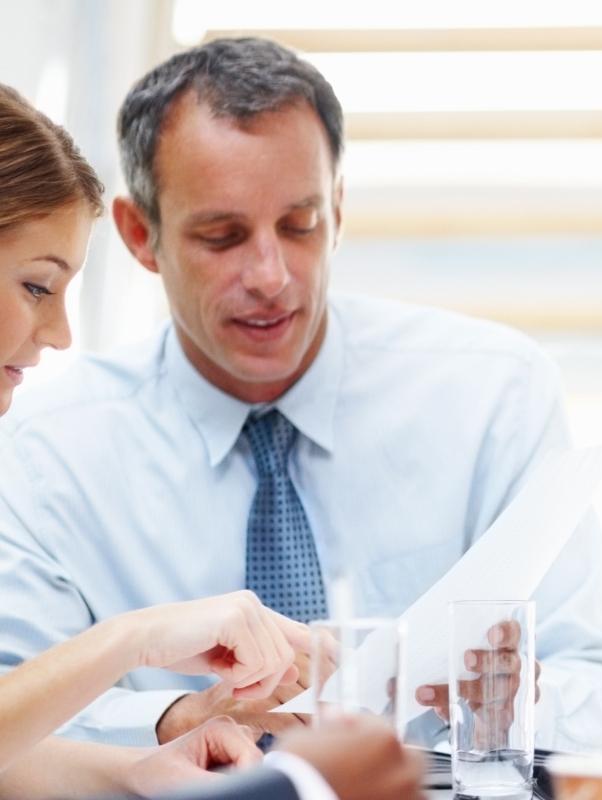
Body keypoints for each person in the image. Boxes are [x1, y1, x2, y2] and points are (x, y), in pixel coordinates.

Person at [0, 37, 602, 752]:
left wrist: (522, 700)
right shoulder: (43, 445)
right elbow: (12, 712)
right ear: (139, 235)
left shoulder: (494, 395)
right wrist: (172, 720)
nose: (270, 275)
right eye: (222, 236)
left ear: (337, 208)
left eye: (300, 225)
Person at [0, 81, 421, 800]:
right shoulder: (48, 447)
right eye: (38, 287)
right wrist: (135, 640)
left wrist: (142, 778)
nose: (61, 334)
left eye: (300, 224)